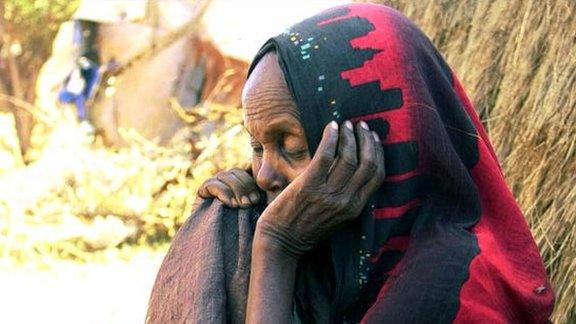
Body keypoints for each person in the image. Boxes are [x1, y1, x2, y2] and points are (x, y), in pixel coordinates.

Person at [146, 3, 554, 323]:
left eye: (291, 145)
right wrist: (219, 226)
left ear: (381, 146)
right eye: (257, 146)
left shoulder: (453, 292)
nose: (265, 174)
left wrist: (276, 247)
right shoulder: (340, 266)